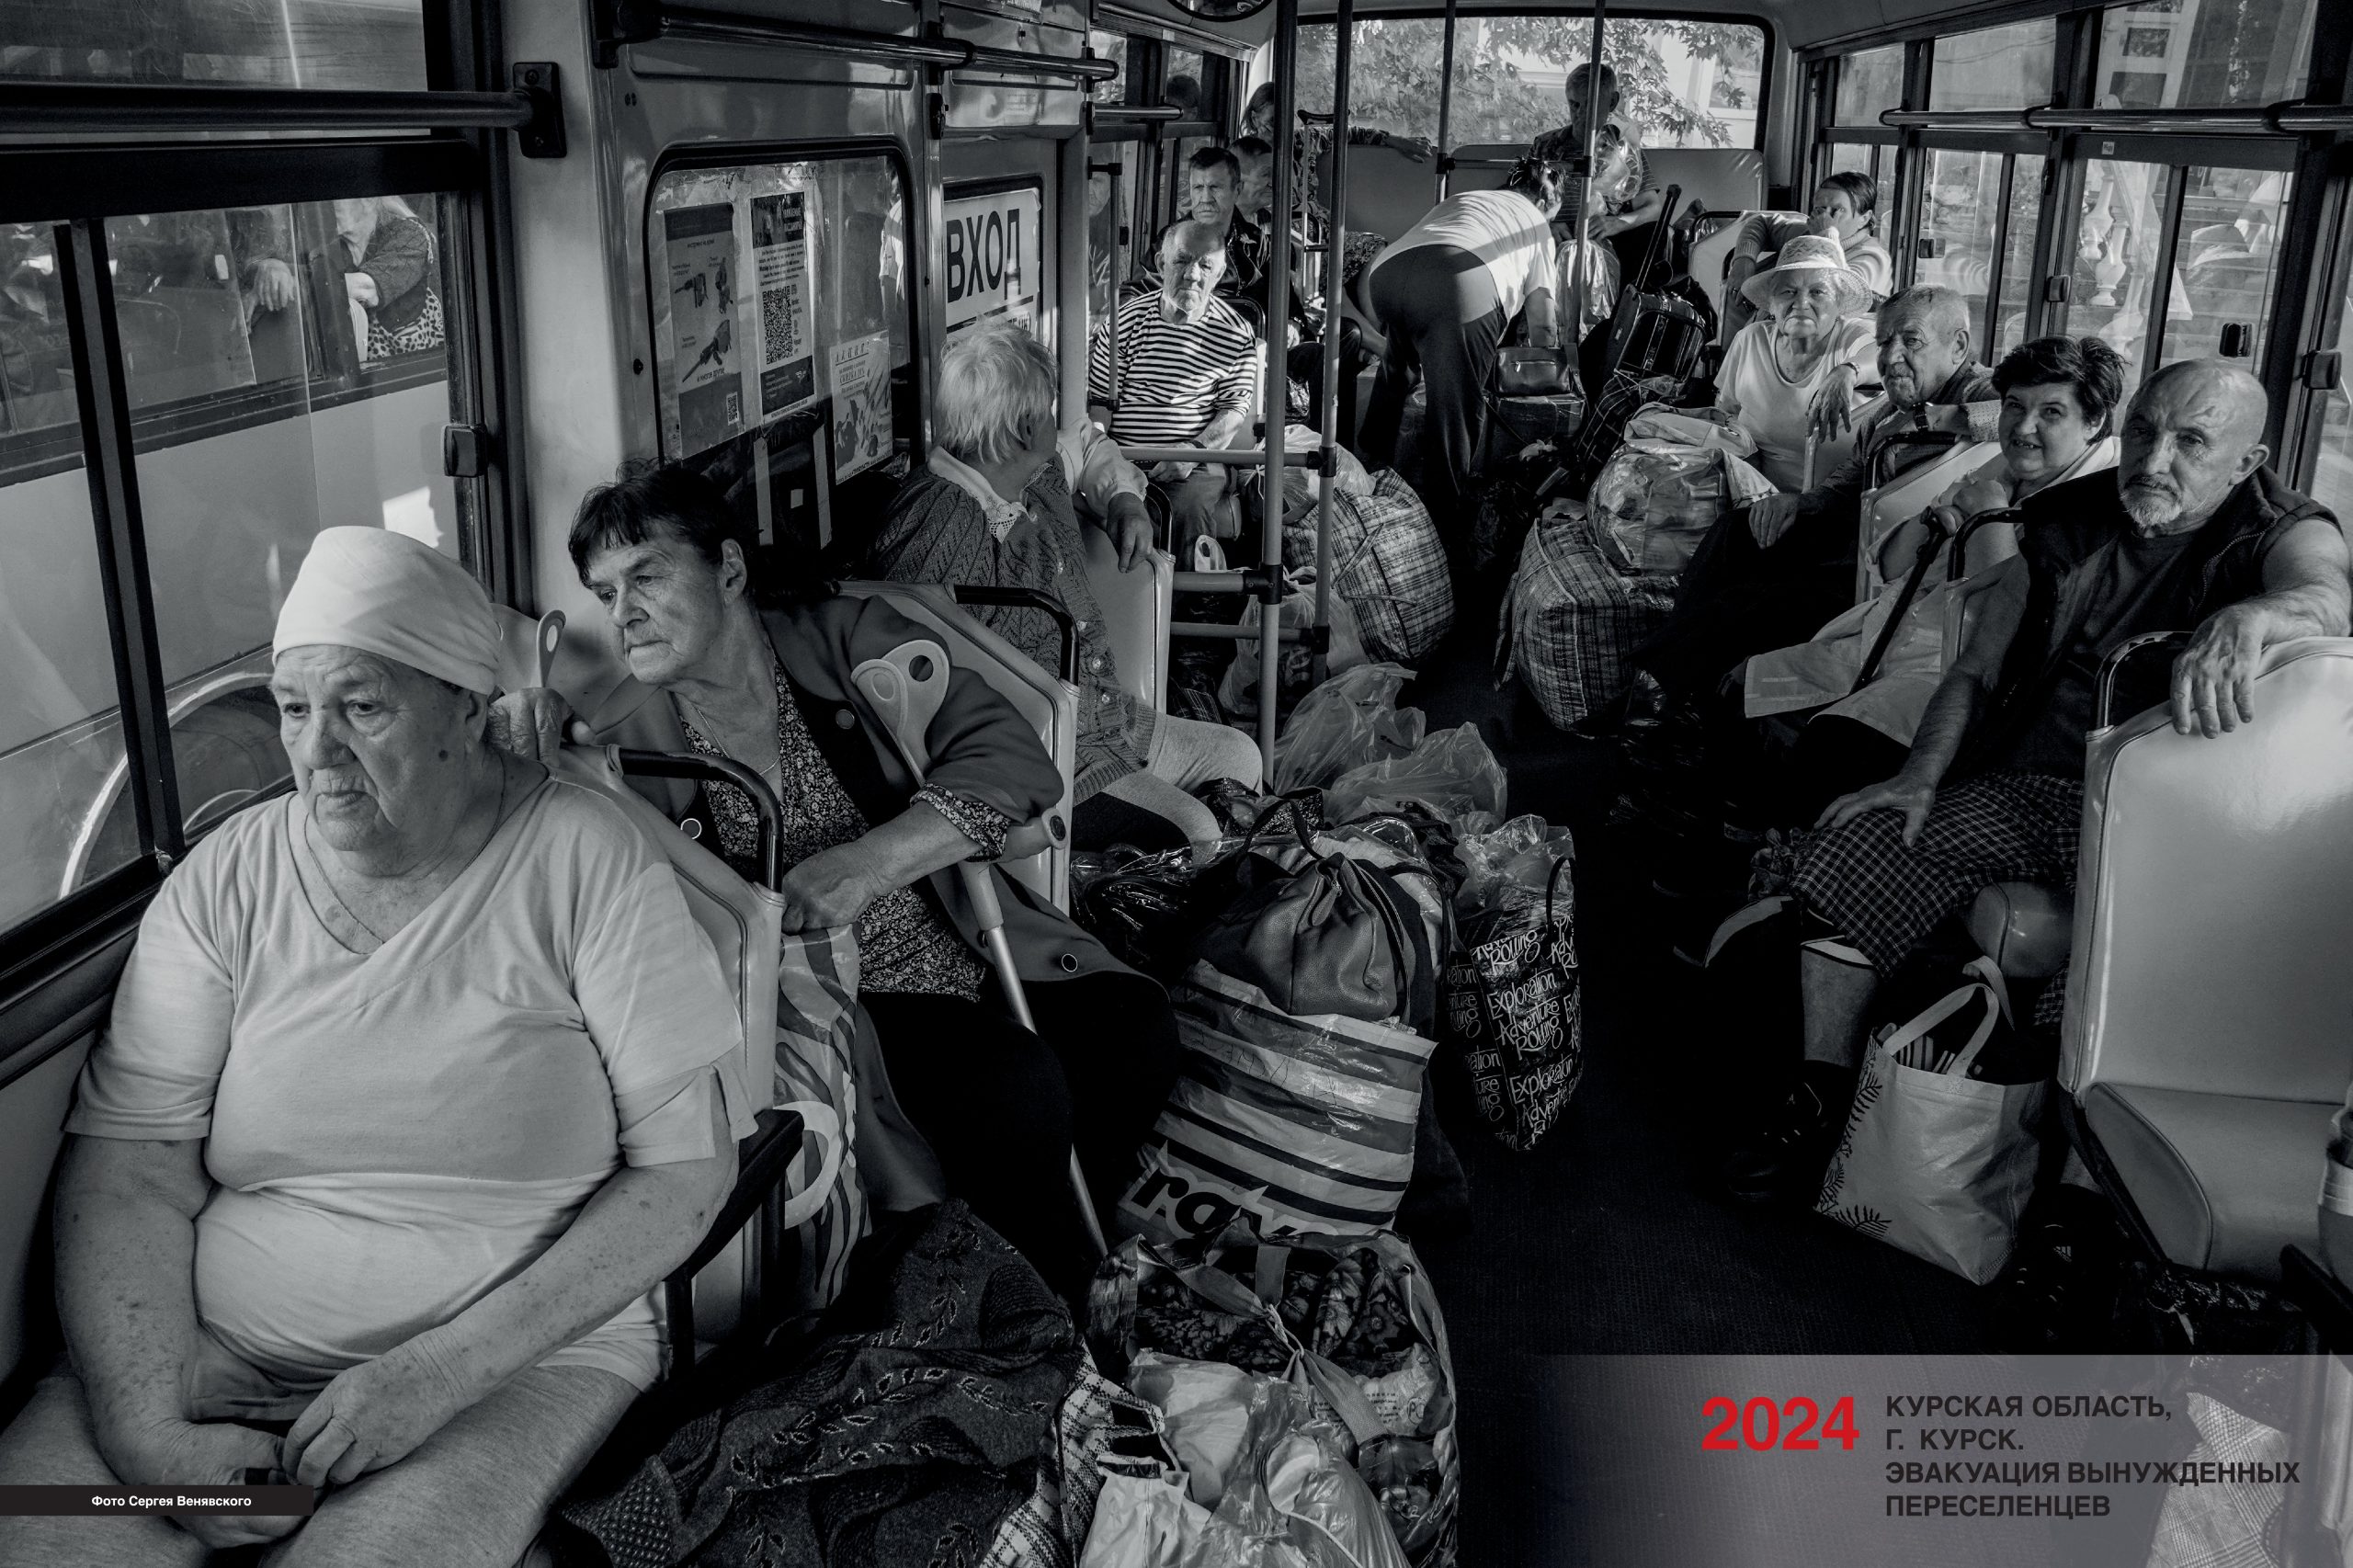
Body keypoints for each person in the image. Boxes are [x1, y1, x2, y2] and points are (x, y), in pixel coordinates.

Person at [0, 527, 752, 1568]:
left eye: (362, 707)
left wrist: (438, 1373)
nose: (315, 750)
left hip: (501, 1373)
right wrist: (150, 1432)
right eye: (292, 708)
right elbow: (130, 1170)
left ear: (468, 709)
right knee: (40, 1538)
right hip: (201, 1362)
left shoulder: (587, 862)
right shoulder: (226, 879)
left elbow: (685, 1175)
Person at [494, 465, 1182, 1301]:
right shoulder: (623, 746)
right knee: (1013, 1089)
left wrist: (869, 863)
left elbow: (1014, 762)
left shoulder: (849, 643)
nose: (623, 613)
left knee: (1133, 1029)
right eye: (605, 593)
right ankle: (1046, 1296)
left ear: (730, 570)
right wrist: (518, 758)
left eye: (647, 577)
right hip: (838, 1012)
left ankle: (1068, 1241)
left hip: (960, 936)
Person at [1724, 361, 2349, 1207]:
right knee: (1858, 845)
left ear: (2248, 462)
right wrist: (1917, 777)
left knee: (2117, 957)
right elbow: (1974, 672)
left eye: (2192, 442)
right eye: (2143, 432)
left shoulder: (2280, 529)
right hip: (2035, 785)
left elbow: (2324, 595)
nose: (2155, 460)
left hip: (2172, 819)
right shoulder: (2065, 521)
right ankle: (1821, 1097)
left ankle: (2079, 1191)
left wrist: (2253, 616)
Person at [870, 321, 1264, 850]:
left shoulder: (1030, 472)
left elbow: (1089, 443)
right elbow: (921, 670)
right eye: (1047, 409)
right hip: (1045, 757)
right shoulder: (939, 520)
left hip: (1108, 722)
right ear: (1023, 428)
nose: (1055, 422)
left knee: (1239, 756)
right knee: (1196, 831)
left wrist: (1125, 498)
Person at [1742, 335, 2126, 820]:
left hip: (1969, 681)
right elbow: (1888, 566)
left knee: (1834, 744)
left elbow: (2003, 635)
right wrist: (1930, 522)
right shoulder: (1998, 470)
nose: (2024, 427)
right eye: (2014, 406)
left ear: (2093, 422)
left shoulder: (2093, 512)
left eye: (2051, 412)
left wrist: (1987, 521)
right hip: (1900, 640)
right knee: (1742, 681)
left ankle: (1798, 848)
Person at [1626, 243, 1903, 706]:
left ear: (1838, 302)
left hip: (1825, 509)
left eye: (1818, 292)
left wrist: (1846, 373)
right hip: (1756, 492)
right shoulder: (1751, 341)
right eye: (1788, 292)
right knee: (1727, 542)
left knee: (1748, 583)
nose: (1801, 303)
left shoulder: (1852, 340)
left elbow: (1882, 350)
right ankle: (1668, 680)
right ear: (1771, 302)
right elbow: (1728, 416)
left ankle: (1658, 680)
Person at [1356, 154, 1567, 563]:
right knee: (1455, 411)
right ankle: (1441, 534)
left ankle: (1364, 472)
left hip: (1387, 275)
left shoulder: (1469, 199)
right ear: (1545, 202)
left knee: (1397, 372)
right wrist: (1550, 373)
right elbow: (1542, 320)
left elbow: (1429, 249)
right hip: (1459, 284)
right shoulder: (1536, 225)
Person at [1087, 221, 1260, 557]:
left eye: (1205, 266)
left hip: (1195, 459)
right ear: (1161, 263)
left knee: (1187, 508)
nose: (1192, 275)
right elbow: (1100, 406)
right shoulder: (1125, 321)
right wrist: (1103, 458)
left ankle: (1180, 592)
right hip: (1123, 454)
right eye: (1181, 261)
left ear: (1219, 274)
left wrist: (1191, 452)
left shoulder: (1235, 332)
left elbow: (1232, 412)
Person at [1721, 173, 1893, 343]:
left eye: (1837, 210)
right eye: (1819, 209)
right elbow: (1760, 223)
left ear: (1864, 218)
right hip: (1755, 335)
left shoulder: (1871, 258)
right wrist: (1744, 261)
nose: (1824, 217)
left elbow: (1846, 296)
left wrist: (1827, 235)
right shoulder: (1805, 233)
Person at [1535, 62, 1665, 288]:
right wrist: (1545, 225)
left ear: (1612, 102)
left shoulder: (1625, 150)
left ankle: (1626, 306)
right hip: (1556, 243)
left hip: (1609, 245)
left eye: (1590, 106)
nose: (1580, 114)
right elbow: (1520, 203)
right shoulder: (1546, 146)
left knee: (1653, 234)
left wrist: (1617, 223)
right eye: (1574, 105)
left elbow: (1652, 208)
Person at [334, 196, 442, 360]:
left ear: (367, 201)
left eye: (336, 197)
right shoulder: (336, 245)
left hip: (406, 364)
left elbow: (365, 290)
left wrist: (303, 283)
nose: (324, 204)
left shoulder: (410, 235)